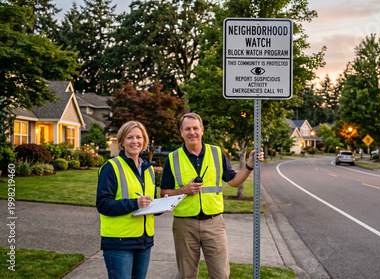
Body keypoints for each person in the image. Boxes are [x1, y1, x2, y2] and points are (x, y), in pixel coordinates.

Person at [160, 112, 264, 279]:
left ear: (202, 130)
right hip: (184, 225)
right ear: (181, 132)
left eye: (195, 128)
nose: (191, 132)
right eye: (187, 129)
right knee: (187, 275)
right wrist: (184, 190)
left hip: (214, 224)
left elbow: (234, 182)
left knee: (221, 275)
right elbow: (164, 193)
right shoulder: (172, 158)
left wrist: (250, 165)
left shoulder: (216, 153)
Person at [96, 121, 164, 279]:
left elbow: (148, 204)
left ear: (144, 141)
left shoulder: (148, 170)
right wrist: (135, 203)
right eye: (130, 137)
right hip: (119, 243)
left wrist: (162, 205)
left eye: (139, 137)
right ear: (121, 141)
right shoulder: (111, 167)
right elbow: (103, 204)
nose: (135, 141)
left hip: (144, 242)